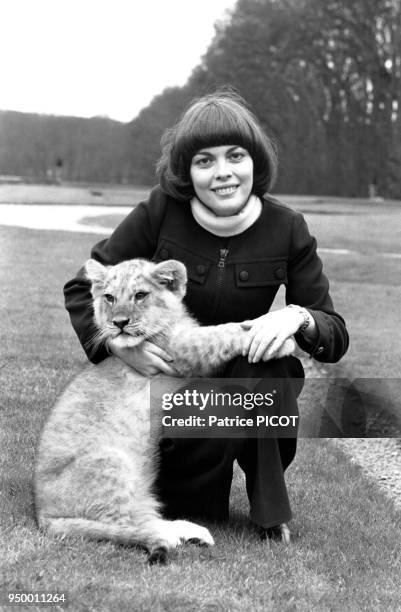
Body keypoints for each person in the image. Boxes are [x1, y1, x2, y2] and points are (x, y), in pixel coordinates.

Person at [64, 91, 349, 543]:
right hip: (166, 392)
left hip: (237, 385)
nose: (222, 173)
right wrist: (116, 344)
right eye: (204, 160)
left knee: (272, 362)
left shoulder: (288, 227)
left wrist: (297, 318)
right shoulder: (159, 211)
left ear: (255, 161)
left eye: (235, 156)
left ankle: (271, 513)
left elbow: (332, 332)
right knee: (194, 512)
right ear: (187, 171)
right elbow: (83, 285)